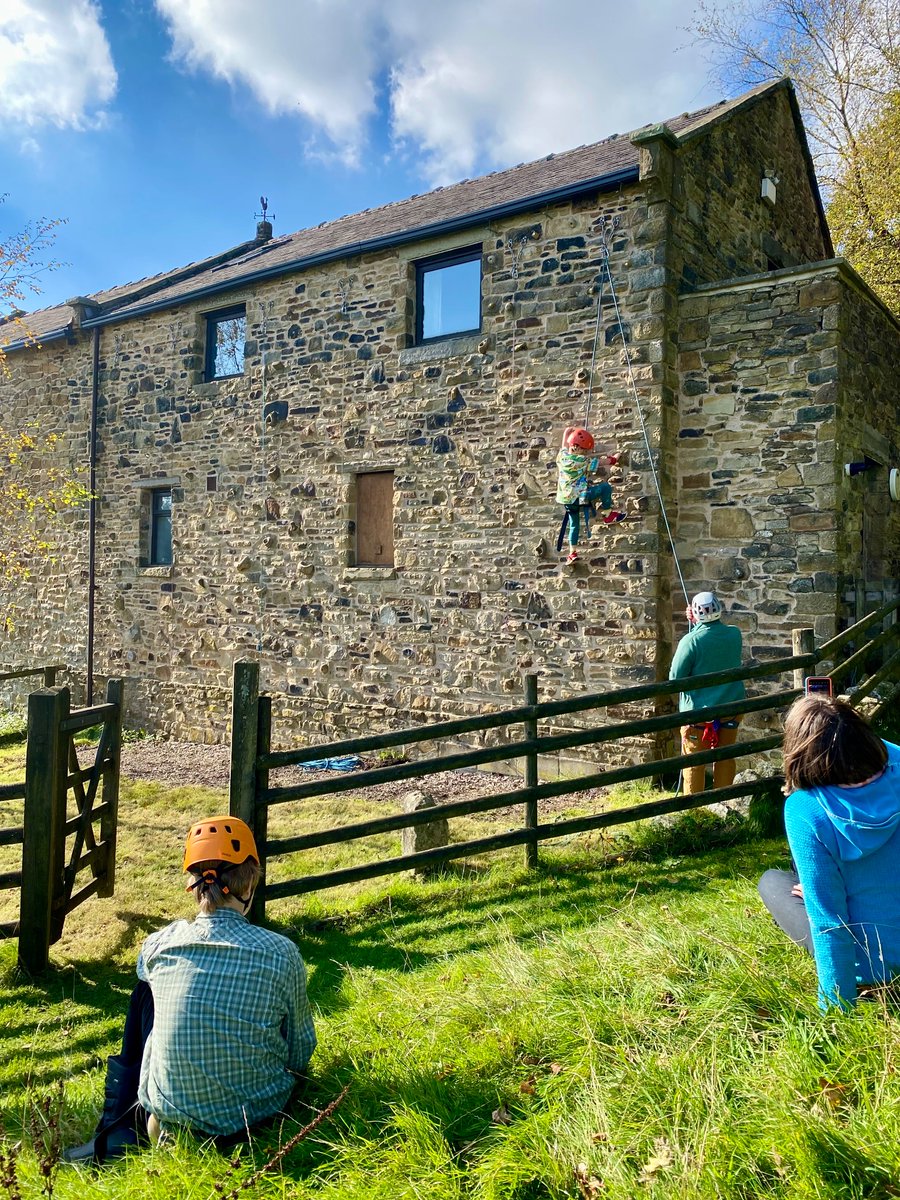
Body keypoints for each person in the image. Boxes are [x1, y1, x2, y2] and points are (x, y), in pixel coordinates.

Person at [65, 815, 316, 1162]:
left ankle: (118, 1123)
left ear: (194, 885)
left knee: (146, 992)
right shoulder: (282, 953)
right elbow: (301, 1049)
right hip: (259, 1118)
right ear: (248, 885)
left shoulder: (159, 946)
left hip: (172, 1126)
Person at [758, 696, 900, 1010]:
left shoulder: (806, 810)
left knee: (772, 882)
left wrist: (836, 1014)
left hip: (875, 964)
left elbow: (829, 922)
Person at [669, 591, 745, 794]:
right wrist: (696, 624)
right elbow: (712, 640)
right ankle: (724, 803)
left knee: (694, 763)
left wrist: (694, 628)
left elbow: (675, 678)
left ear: (695, 614)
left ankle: (694, 810)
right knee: (725, 757)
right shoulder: (734, 634)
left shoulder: (690, 641)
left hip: (699, 716)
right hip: (731, 709)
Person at [555, 425, 625, 564]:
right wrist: (615, 459)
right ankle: (607, 514)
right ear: (578, 447)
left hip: (566, 501)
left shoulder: (562, 456)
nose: (585, 453)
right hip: (581, 497)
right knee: (605, 487)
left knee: (574, 525)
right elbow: (603, 462)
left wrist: (567, 431)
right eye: (584, 450)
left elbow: (564, 444)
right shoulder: (584, 462)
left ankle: (572, 553)